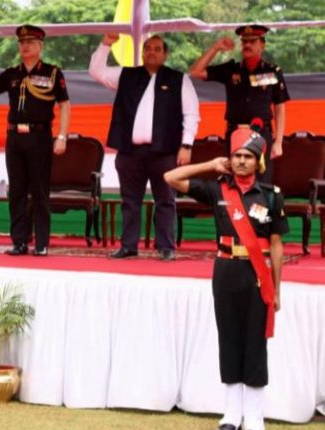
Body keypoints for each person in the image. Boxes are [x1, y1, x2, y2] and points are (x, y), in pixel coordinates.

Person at [164, 125, 287, 430]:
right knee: (229, 339)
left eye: (248, 156)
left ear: (258, 161)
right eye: (237, 155)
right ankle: (231, 414)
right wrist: (210, 164)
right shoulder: (217, 189)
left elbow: (276, 246)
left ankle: (254, 416)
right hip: (226, 270)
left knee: (255, 342)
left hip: (257, 275)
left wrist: (277, 289)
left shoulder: (271, 196)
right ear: (230, 159)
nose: (242, 161)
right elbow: (170, 177)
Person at [89, 33, 200, 260]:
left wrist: (187, 145)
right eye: (147, 48)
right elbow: (96, 71)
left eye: (157, 49)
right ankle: (128, 246)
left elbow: (191, 114)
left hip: (165, 152)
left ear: (165, 54)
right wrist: (105, 45)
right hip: (130, 152)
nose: (151, 52)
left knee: (165, 200)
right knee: (130, 201)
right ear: (142, 53)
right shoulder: (127, 75)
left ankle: (166, 246)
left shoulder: (179, 79)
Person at [0, 25, 70, 257]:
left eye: (30, 42)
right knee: (17, 190)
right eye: (22, 43)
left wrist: (62, 136)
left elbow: (65, 105)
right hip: (15, 137)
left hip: (39, 136)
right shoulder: (12, 74)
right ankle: (19, 241)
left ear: (40, 46)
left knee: (40, 190)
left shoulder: (53, 73)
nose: (25, 46)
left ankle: (41, 243)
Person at [189, 25, 290, 182]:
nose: (247, 45)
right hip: (235, 133)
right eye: (244, 42)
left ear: (262, 45)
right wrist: (216, 48)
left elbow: (279, 106)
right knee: (234, 181)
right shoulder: (231, 69)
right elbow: (196, 72)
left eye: (252, 41)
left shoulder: (272, 71)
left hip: (261, 133)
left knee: (261, 181)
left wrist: (278, 141)